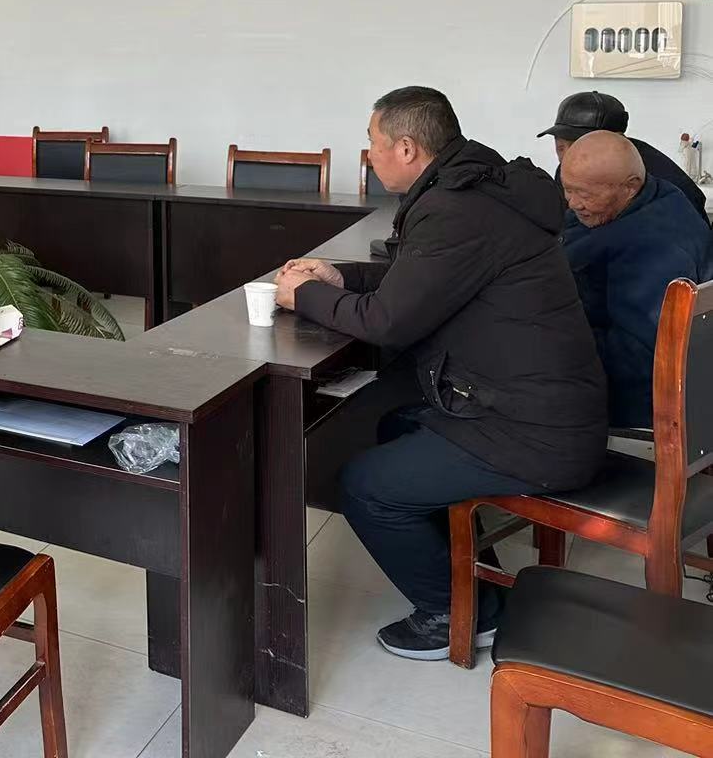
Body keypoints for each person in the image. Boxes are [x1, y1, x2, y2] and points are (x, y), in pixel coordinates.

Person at [274, 86, 606, 660]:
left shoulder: (456, 209)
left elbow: (388, 321)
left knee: (364, 486)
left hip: (534, 432)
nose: (369, 155)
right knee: (397, 426)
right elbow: (420, 277)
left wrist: (301, 296)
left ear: (406, 148)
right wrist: (338, 278)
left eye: (373, 143)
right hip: (538, 409)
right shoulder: (477, 188)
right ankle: (471, 580)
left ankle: (457, 613)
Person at [560, 131, 713, 428]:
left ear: (630, 186)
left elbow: (638, 357)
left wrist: (548, 337)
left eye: (586, 195)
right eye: (568, 190)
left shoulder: (656, 250)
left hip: (631, 405)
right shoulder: (651, 195)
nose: (574, 204)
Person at [539, 90, 705, 220]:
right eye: (560, 147)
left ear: (616, 139)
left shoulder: (664, 183)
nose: (568, 157)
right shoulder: (569, 171)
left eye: (578, 145)